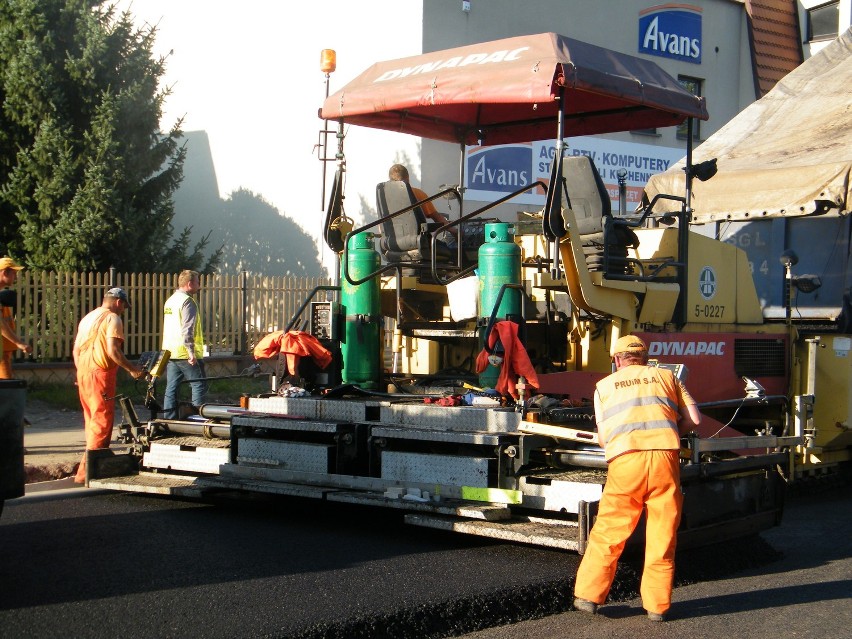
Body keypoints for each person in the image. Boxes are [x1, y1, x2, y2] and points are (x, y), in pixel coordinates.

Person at [572, 334, 701, 622]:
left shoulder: (603, 387)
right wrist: (669, 430)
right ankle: (657, 607)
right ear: (644, 357)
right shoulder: (667, 377)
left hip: (626, 461)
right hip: (665, 460)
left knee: (610, 529)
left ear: (617, 360)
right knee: (662, 534)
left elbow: (605, 440)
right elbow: (695, 418)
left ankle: (589, 596)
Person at [73, 287, 145, 483]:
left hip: (84, 373)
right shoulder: (113, 319)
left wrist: (81, 373)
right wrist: (132, 369)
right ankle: (88, 472)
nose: (123, 311)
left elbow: (76, 349)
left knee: (91, 421)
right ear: (119, 302)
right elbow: (113, 351)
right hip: (101, 375)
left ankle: (93, 465)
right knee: (102, 422)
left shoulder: (88, 317)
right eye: (124, 307)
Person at [161, 269, 207, 419]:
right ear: (189, 284)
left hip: (170, 352)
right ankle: (197, 419)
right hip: (185, 353)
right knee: (199, 384)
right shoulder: (188, 301)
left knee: (171, 388)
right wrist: (191, 352)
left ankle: (169, 418)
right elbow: (187, 328)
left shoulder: (171, 300)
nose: (199, 286)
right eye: (198, 282)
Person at [388, 163, 458, 247]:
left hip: (392, 244)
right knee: (451, 250)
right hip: (416, 243)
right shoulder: (417, 194)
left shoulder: (386, 198)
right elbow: (437, 217)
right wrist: (455, 231)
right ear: (408, 178)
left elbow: (381, 228)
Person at [0, 256, 32, 379]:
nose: (15, 277)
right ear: (4, 272)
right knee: (6, 391)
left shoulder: (2, 295)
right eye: (13, 273)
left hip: (4, 352)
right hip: (1, 354)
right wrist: (19, 343)